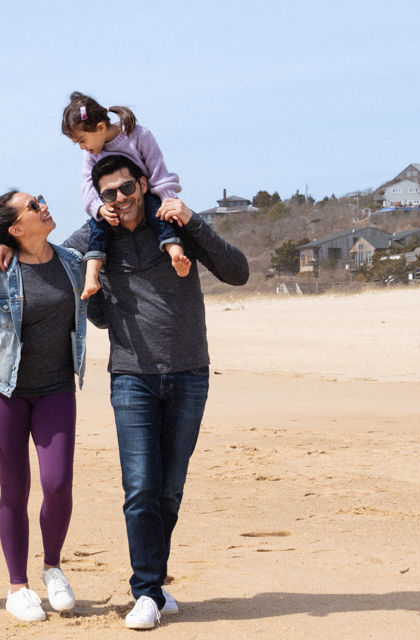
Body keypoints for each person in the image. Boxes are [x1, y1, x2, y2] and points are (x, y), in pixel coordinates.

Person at [65, 154, 249, 629]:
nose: (121, 200)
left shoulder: (174, 223)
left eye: (127, 188)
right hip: (131, 376)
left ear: (143, 183)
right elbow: (46, 261)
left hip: (190, 372)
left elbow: (238, 271)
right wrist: (3, 245)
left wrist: (192, 219)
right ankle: (145, 592)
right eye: (109, 194)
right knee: (141, 485)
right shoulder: (92, 236)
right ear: (98, 199)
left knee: (169, 488)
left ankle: (153, 581)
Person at [0, 191, 88, 623]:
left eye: (41, 199)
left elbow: (100, 227)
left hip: (56, 389)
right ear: (15, 229)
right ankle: (17, 587)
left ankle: (52, 567)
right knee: (15, 489)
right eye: (34, 205)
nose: (44, 205)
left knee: (58, 483)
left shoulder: (71, 260)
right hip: (3, 392)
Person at [62, 92, 190, 299]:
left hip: (143, 194)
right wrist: (98, 207)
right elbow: (86, 185)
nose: (82, 147)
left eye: (82, 140)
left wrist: (168, 200)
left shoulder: (139, 135)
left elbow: (158, 170)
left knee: (159, 215)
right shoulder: (91, 154)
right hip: (110, 202)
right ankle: (92, 276)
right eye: (76, 143)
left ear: (100, 128)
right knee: (98, 226)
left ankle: (176, 255)